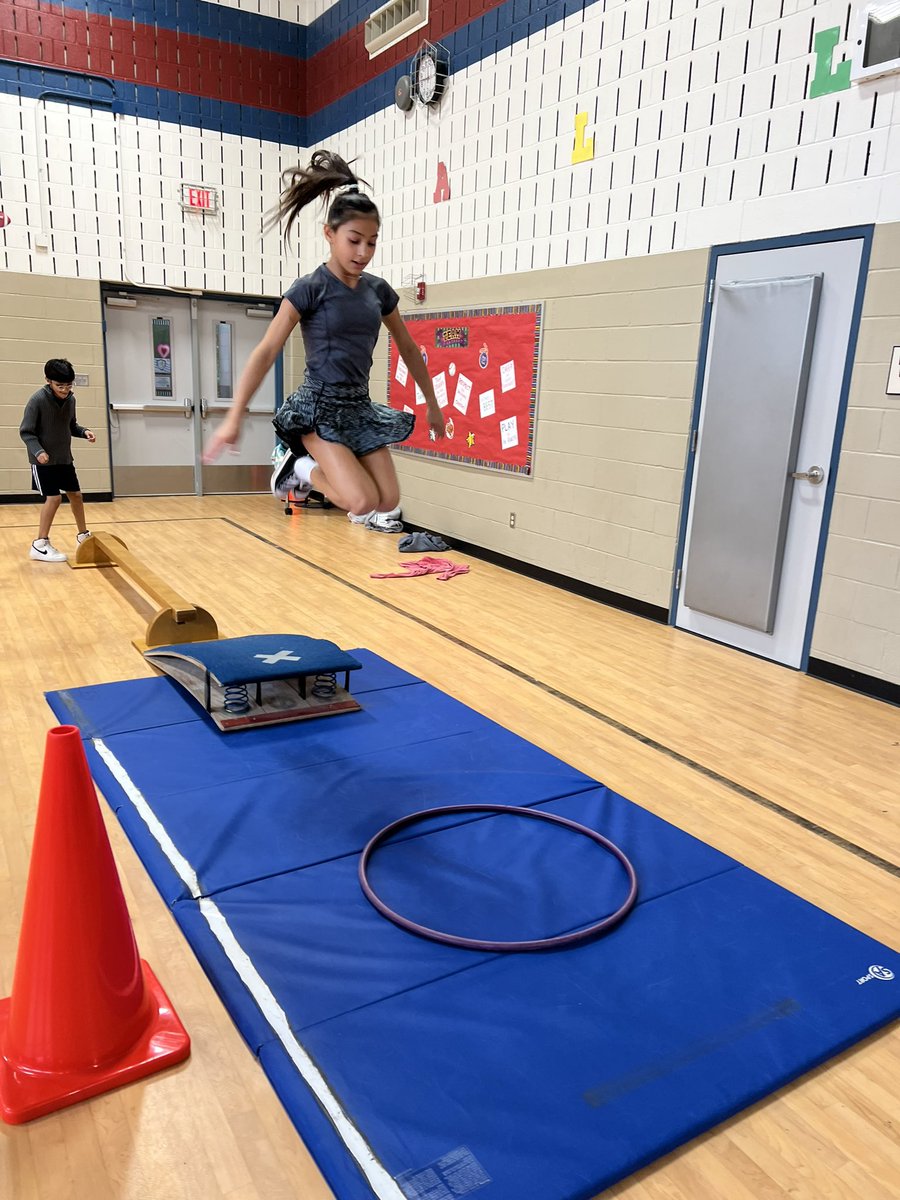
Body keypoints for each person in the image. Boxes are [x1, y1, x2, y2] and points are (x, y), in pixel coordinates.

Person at [202, 150, 445, 515]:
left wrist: (433, 404)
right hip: (318, 408)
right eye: (354, 239)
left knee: (388, 501)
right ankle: (296, 468)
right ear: (329, 234)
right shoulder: (310, 288)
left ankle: (303, 469)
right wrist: (234, 416)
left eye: (372, 241)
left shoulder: (378, 291)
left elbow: (409, 348)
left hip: (357, 406)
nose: (363, 251)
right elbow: (267, 350)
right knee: (360, 501)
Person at [20, 358, 96, 562]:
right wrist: (38, 452)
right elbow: (26, 432)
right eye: (59, 386)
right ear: (48, 381)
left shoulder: (71, 399)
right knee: (53, 498)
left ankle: (83, 536)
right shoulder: (37, 400)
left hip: (64, 459)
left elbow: (71, 426)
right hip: (43, 462)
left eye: (68, 385)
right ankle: (40, 544)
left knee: (76, 495)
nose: (64, 390)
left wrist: (84, 431)